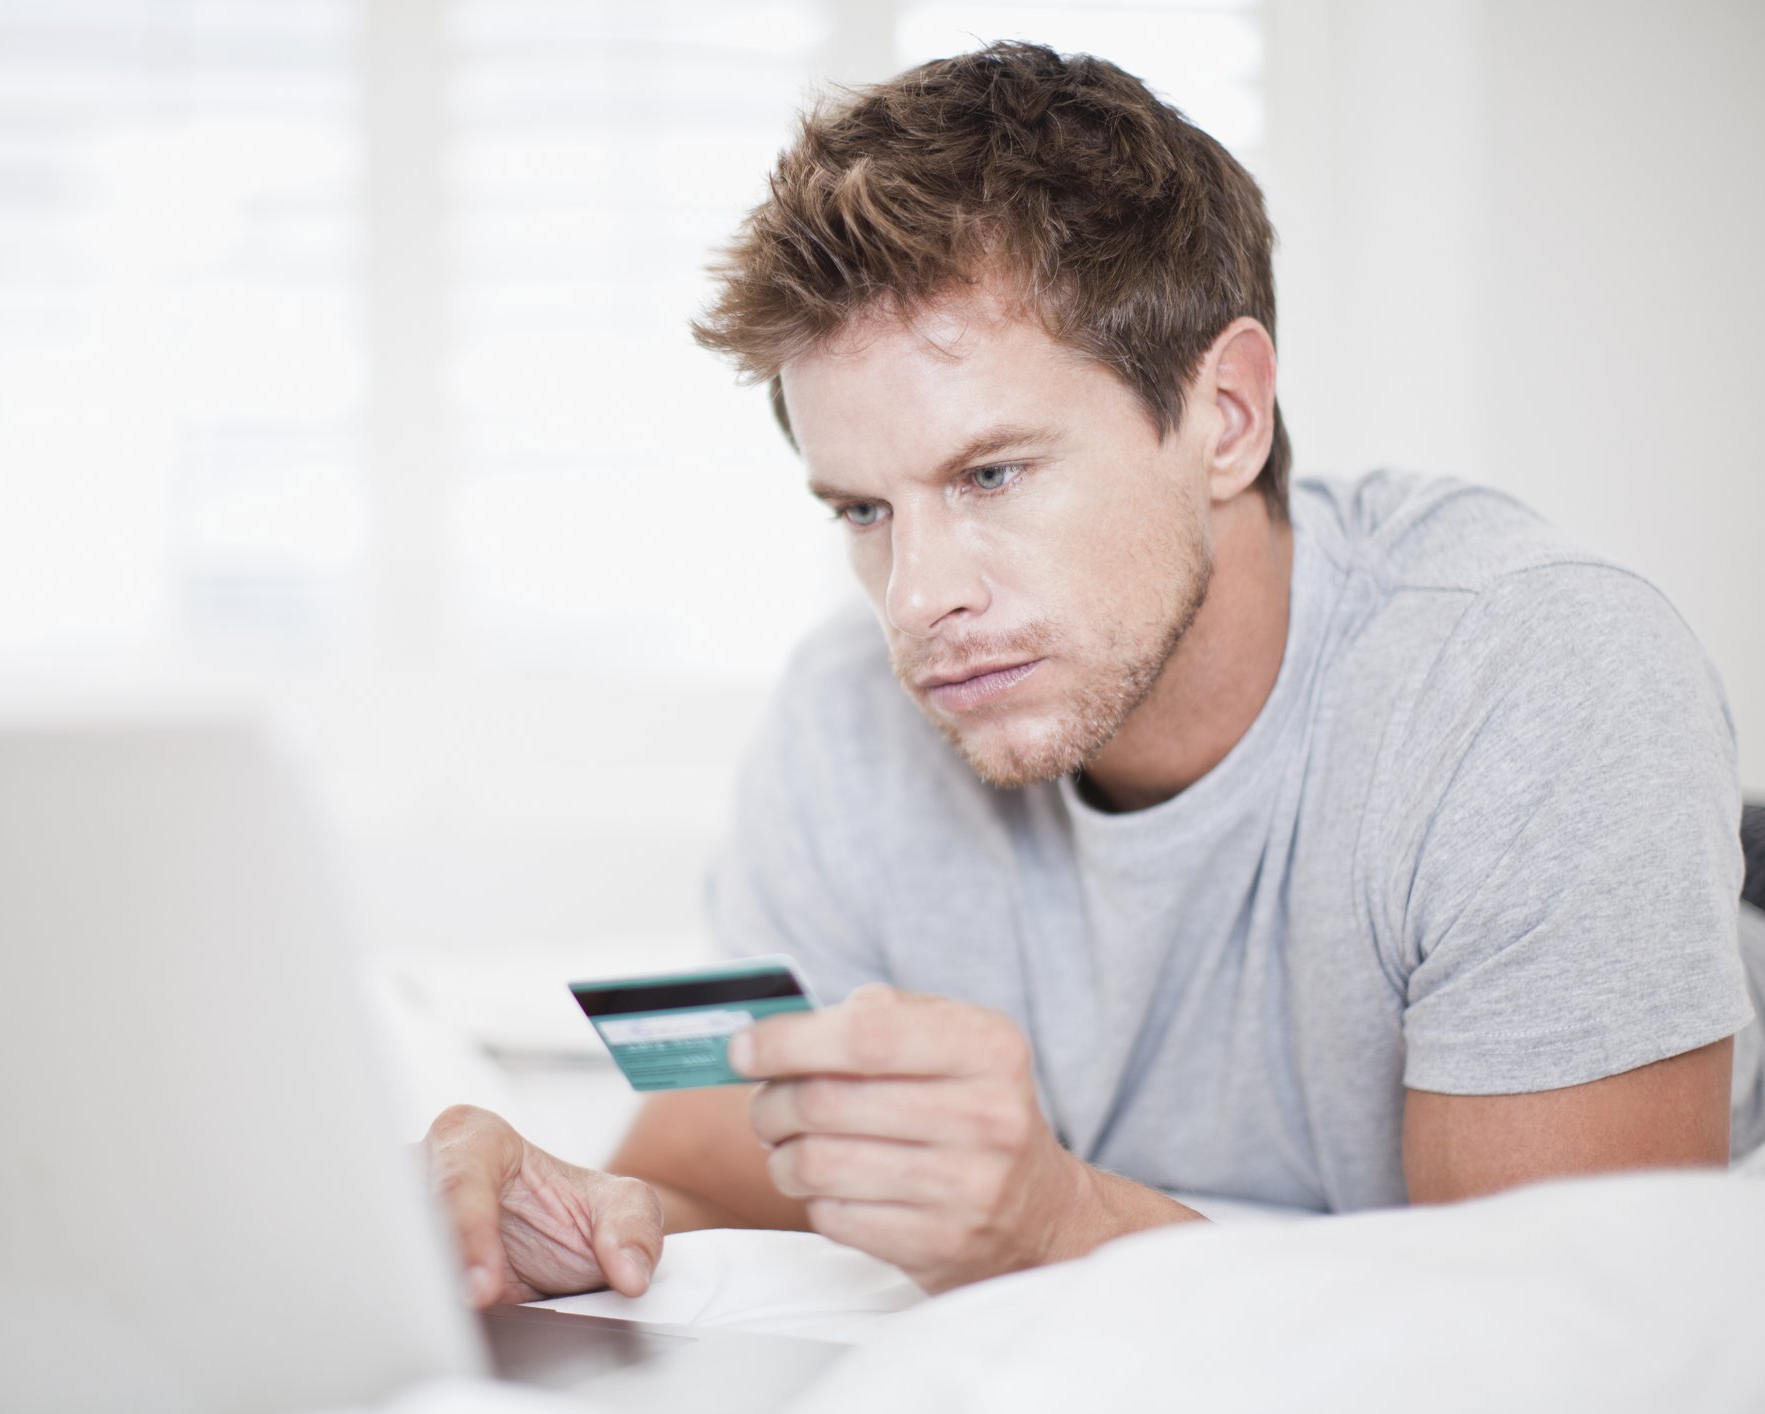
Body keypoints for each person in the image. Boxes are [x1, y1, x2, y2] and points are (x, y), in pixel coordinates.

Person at [423, 41, 1765, 1304]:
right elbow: (708, 1162)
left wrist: (1058, 1225)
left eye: (990, 473)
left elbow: (1556, 1342)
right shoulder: (843, 713)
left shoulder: (1535, 678)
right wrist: (598, 1214)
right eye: (860, 510)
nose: (917, 596)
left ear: (1223, 416)